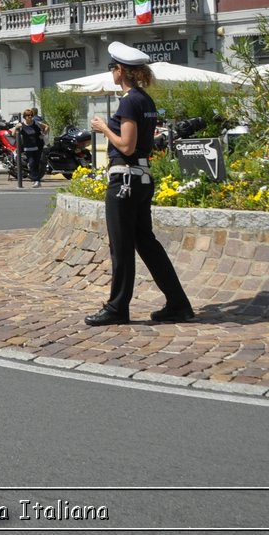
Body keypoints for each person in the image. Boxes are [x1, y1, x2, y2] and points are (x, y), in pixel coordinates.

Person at [84, 42, 195, 327]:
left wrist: (103, 128)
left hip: (125, 179)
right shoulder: (146, 100)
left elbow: (127, 145)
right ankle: (178, 304)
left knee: (121, 247)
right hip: (140, 179)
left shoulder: (130, 101)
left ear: (120, 71)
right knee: (147, 244)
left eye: (113, 68)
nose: (111, 72)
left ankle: (117, 307)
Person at [14, 107, 47, 187]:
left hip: (38, 146)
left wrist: (43, 134)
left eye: (31, 115)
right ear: (24, 116)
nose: (30, 117)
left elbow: (46, 127)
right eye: (28, 115)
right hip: (28, 147)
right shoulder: (21, 125)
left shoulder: (36, 123)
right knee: (32, 163)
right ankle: (36, 180)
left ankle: (37, 180)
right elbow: (13, 133)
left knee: (36, 164)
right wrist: (16, 128)